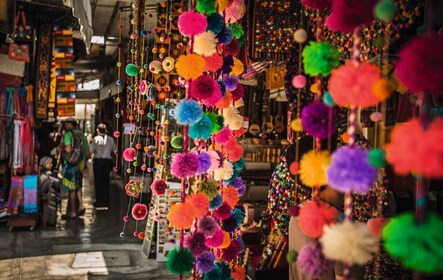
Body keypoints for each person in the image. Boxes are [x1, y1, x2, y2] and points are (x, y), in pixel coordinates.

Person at [62, 118, 89, 218]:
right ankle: (80, 205)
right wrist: (82, 163)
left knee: (71, 189)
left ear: (70, 124)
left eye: (66, 123)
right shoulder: (82, 135)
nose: (65, 126)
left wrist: (61, 148)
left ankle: (73, 212)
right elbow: (88, 153)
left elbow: (68, 149)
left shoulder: (68, 134)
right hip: (80, 166)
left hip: (70, 165)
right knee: (78, 187)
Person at [89, 123, 115, 209]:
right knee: (106, 181)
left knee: (98, 181)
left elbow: (91, 151)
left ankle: (99, 201)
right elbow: (114, 151)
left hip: (98, 162)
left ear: (98, 130)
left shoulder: (95, 139)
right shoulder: (111, 139)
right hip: (107, 161)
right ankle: (106, 201)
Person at [38, 156, 61, 226]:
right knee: (54, 189)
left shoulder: (42, 174)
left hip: (43, 193)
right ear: (44, 164)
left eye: (51, 163)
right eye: (49, 163)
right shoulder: (46, 175)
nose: (51, 165)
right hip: (44, 195)